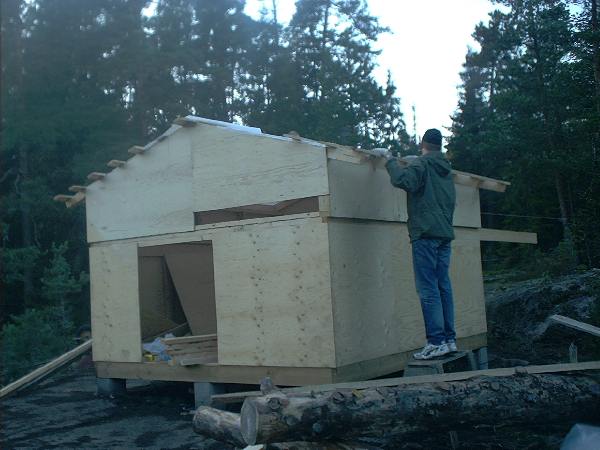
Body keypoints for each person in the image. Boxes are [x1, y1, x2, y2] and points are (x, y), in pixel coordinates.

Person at [372, 129, 457, 360]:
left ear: (423, 143)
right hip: (443, 233)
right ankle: (449, 340)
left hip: (426, 233)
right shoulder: (445, 169)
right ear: (439, 145)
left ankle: (436, 342)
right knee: (443, 286)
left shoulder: (423, 164)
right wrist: (413, 163)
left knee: (428, 289)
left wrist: (389, 159)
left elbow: (403, 181)